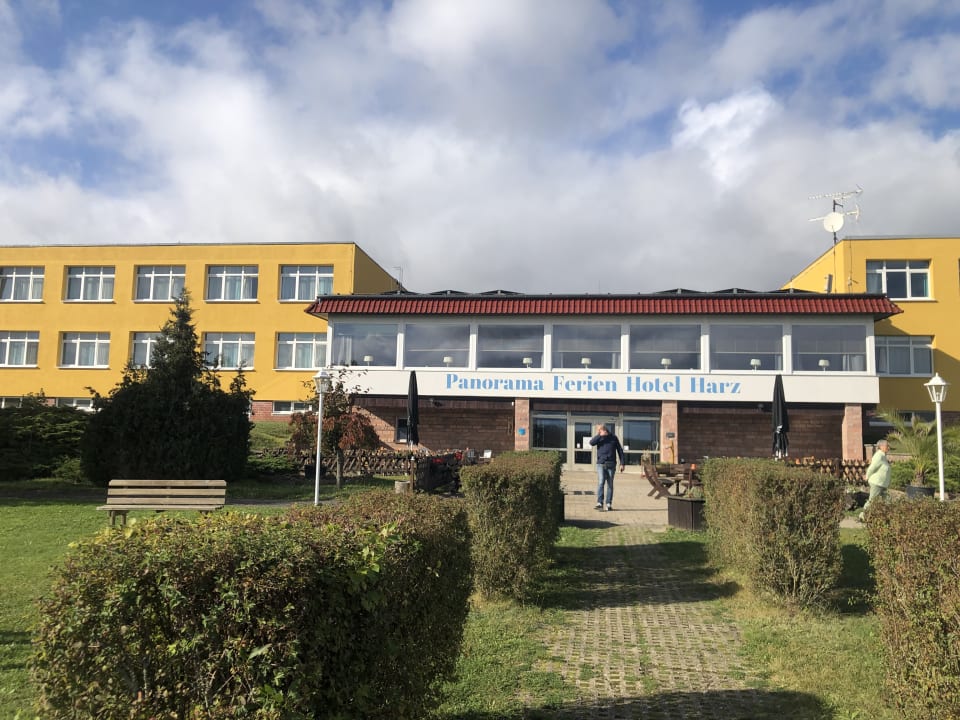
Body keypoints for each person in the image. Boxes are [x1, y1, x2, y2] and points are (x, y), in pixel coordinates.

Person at [589, 423, 625, 511]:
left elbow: (620, 450)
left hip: (611, 464)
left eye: (599, 430)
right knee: (601, 482)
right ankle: (599, 503)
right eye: (598, 431)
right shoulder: (599, 438)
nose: (598, 432)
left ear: (604, 430)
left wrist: (622, 463)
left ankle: (608, 503)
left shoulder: (614, 438)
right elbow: (591, 443)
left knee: (610, 484)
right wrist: (599, 435)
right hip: (601, 463)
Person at [860, 438, 891, 522]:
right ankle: (863, 516)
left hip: (882, 484)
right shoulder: (879, 455)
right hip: (877, 483)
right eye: (887, 445)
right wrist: (866, 476)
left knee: (887, 500)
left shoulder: (883, 456)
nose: (888, 447)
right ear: (881, 446)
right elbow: (872, 467)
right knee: (872, 500)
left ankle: (888, 517)